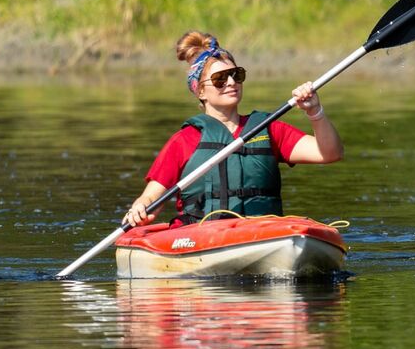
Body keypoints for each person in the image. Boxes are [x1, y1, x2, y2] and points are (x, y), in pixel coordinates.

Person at [121, 30, 343, 228]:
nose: (230, 82)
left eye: (236, 75)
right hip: (200, 236)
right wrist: (141, 207)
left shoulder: (268, 129)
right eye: (219, 79)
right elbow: (150, 198)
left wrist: (315, 111)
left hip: (263, 231)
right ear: (200, 91)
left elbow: (329, 153)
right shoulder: (185, 140)